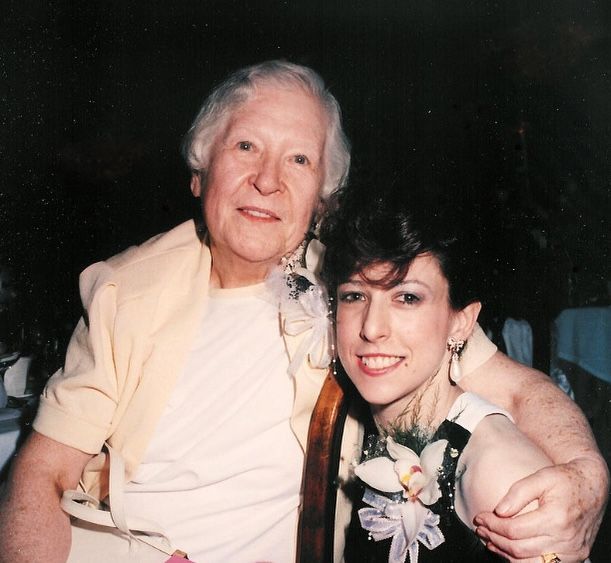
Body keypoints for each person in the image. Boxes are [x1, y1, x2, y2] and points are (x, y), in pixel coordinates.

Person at [0, 60, 607, 563]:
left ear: (324, 197)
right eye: (245, 147)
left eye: (299, 160)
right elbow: (39, 476)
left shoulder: (358, 287)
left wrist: (587, 478)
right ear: (199, 172)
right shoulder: (123, 290)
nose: (268, 181)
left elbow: (521, 390)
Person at [321, 180, 559, 561]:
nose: (371, 327)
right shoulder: (367, 427)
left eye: (407, 298)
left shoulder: (496, 471)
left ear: (462, 322)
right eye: (355, 295)